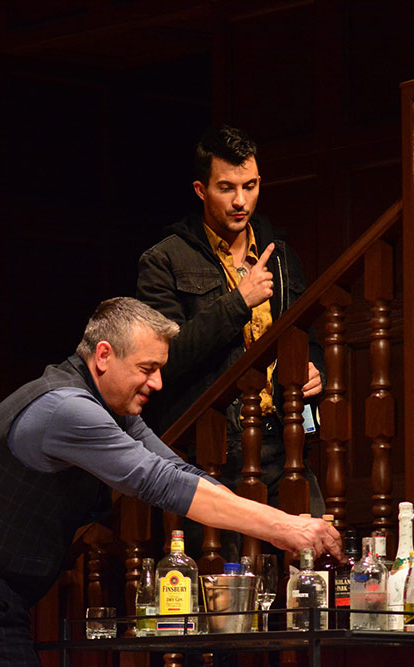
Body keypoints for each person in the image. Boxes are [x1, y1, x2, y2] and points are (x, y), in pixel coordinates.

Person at [0, 297, 340, 666]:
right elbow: (159, 483)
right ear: (103, 356)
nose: (158, 382)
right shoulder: (68, 410)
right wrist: (282, 528)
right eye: (147, 368)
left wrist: (279, 521)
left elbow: (178, 471)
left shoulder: (113, 408)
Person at [136, 125, 326, 563]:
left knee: (314, 564)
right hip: (213, 450)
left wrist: (315, 368)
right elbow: (164, 359)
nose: (241, 200)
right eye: (227, 188)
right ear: (201, 190)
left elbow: (307, 337)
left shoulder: (280, 255)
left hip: (283, 439)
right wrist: (238, 303)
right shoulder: (165, 260)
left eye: (250, 186)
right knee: (225, 585)